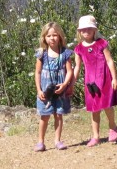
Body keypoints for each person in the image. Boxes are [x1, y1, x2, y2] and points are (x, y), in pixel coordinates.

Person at [72, 14, 117, 146]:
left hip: (105, 80)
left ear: (94, 30)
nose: (86, 31)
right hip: (90, 83)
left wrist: (114, 78)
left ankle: (113, 128)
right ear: (79, 32)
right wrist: (72, 82)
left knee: (107, 106)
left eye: (89, 28)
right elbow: (77, 67)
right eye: (83, 29)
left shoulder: (102, 44)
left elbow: (110, 61)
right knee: (94, 110)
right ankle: (95, 136)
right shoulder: (78, 49)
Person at [33, 21, 74, 151]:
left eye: (55, 35)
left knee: (58, 115)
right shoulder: (41, 54)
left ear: (60, 36)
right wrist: (39, 89)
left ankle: (57, 140)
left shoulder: (65, 53)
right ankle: (40, 141)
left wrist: (65, 84)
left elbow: (70, 71)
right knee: (44, 116)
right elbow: (38, 72)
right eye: (49, 35)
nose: (52, 38)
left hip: (60, 90)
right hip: (45, 90)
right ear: (44, 38)